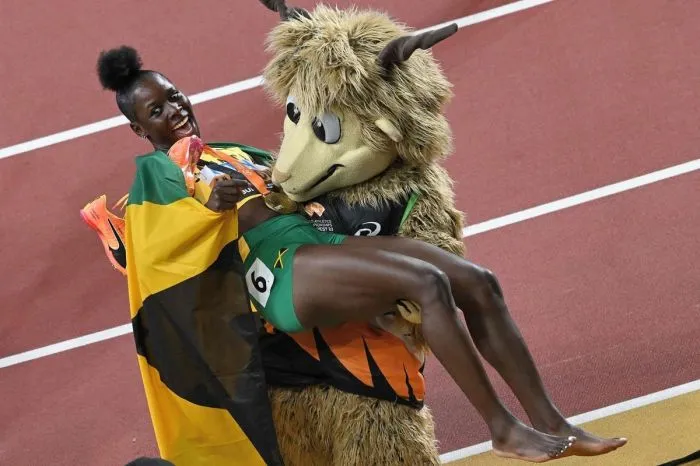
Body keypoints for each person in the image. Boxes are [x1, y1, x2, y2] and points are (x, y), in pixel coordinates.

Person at [90, 45, 627, 463]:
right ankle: (504, 429)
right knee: (427, 285)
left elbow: (302, 174)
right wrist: (211, 206)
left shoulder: (231, 152)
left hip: (317, 241)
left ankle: (551, 421)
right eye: (156, 110)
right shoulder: (157, 173)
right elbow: (158, 239)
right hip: (279, 272)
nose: (174, 111)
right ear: (139, 128)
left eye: (174, 96)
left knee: (477, 281)